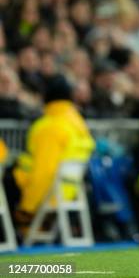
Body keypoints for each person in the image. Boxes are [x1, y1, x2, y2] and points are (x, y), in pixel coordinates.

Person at [12, 75, 95, 232]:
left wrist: (26, 208)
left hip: (48, 193)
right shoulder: (77, 122)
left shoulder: (47, 127)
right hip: (70, 190)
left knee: (8, 181)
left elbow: (44, 172)